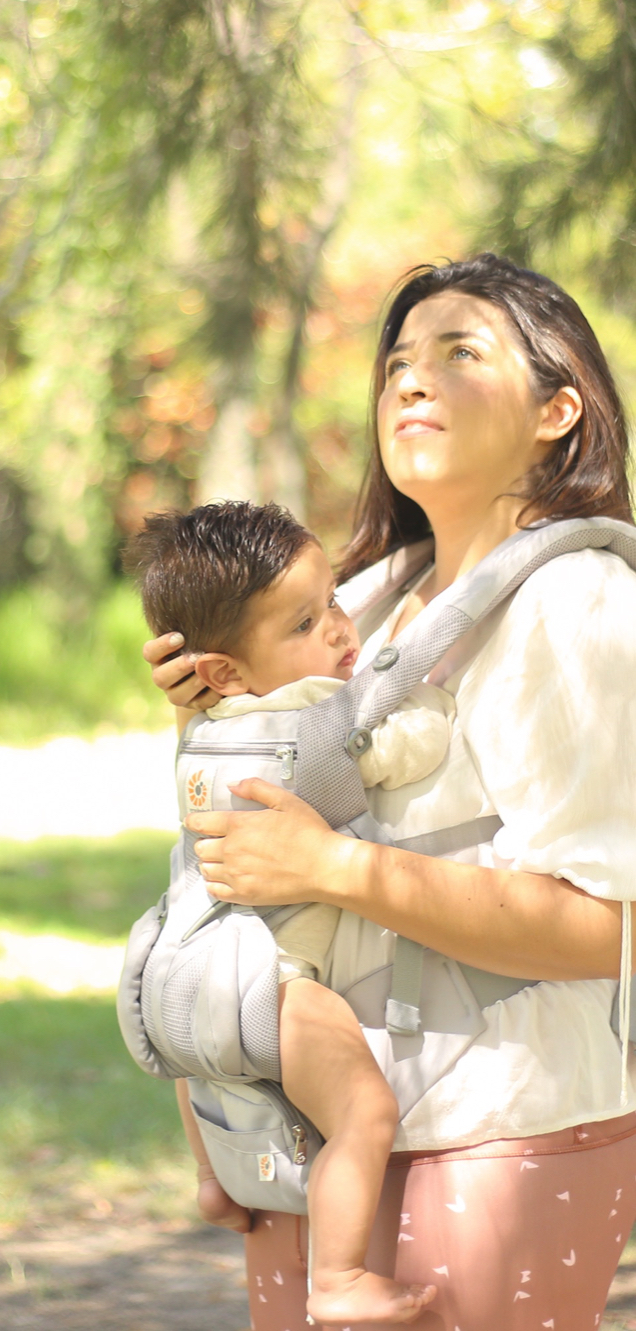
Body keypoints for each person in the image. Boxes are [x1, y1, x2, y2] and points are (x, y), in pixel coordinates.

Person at [142, 253, 636, 1331]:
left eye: (459, 353)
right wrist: (217, 724)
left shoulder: (578, 606)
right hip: (306, 1138)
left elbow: (610, 930)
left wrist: (336, 869)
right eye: (398, 361)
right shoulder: (364, 599)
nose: (411, 380)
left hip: (494, 1133)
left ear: (556, 411)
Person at [128, 499, 455, 1325]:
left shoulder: (202, 730)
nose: (341, 630)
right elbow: (413, 744)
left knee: (205, 1064)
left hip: (173, 970)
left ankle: (212, 1179)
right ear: (224, 669)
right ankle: (338, 1277)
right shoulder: (312, 720)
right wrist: (434, 699)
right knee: (363, 1112)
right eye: (305, 623)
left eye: (333, 601)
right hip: (270, 981)